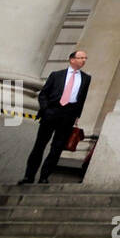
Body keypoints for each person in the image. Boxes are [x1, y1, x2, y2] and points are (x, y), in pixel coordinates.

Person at [19, 50, 90, 185]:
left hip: (68, 116)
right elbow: (43, 94)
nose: (83, 60)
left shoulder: (86, 78)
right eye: (81, 58)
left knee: (56, 149)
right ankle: (29, 176)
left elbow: (82, 98)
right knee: (39, 146)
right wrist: (46, 110)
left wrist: (76, 116)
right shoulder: (56, 75)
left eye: (85, 58)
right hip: (51, 113)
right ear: (72, 60)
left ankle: (44, 177)